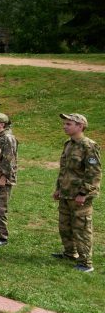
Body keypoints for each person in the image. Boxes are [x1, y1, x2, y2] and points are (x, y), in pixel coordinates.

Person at [53, 113, 101, 273]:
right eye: (65, 123)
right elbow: (64, 169)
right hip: (66, 193)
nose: (64, 126)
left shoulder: (89, 146)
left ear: (80, 126)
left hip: (80, 195)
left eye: (69, 124)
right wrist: (59, 188)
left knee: (82, 228)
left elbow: (94, 173)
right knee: (65, 226)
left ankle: (86, 262)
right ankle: (69, 253)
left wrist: (83, 193)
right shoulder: (69, 144)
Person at [0, 113, 17, 247]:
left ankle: (2, 236)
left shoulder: (7, 138)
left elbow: (8, 159)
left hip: (3, 179)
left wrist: (3, 177)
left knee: (0, 207)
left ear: (2, 124)